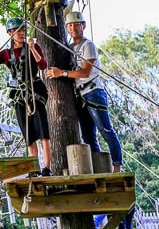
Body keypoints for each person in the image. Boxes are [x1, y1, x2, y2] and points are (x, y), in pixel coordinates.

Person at [46, 11, 124, 173]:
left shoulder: (88, 46)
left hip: (93, 92)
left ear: (83, 26)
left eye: (76, 24)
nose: (73, 28)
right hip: (79, 96)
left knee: (106, 130)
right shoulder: (70, 48)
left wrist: (62, 73)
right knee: (88, 136)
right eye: (69, 25)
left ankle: (117, 167)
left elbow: (85, 72)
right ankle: (97, 168)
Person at [0, 17, 52, 176]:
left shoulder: (33, 46)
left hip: (35, 92)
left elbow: (43, 66)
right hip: (18, 95)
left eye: (23, 30)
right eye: (17, 31)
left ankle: (47, 167)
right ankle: (34, 168)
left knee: (43, 132)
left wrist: (32, 48)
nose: (21, 33)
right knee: (29, 135)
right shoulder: (6, 54)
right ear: (10, 33)